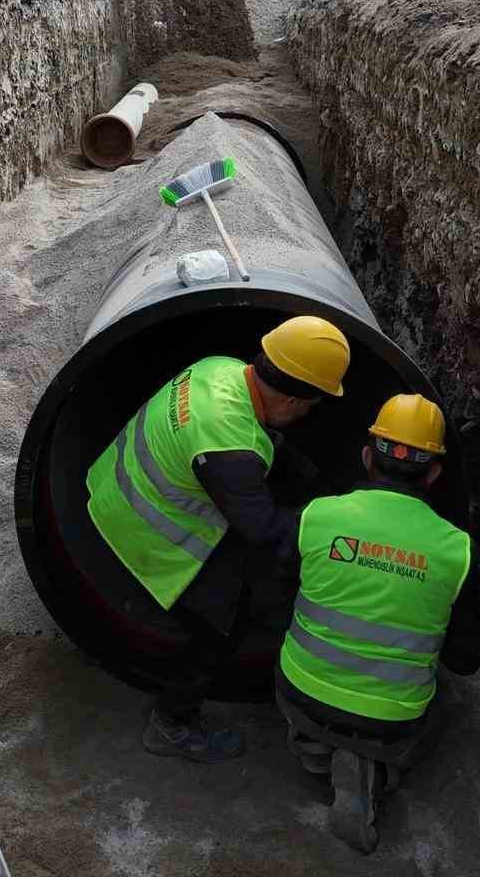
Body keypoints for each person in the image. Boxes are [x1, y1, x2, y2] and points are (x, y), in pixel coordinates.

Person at [86, 315, 351, 763]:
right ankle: (172, 723)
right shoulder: (230, 446)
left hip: (114, 489)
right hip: (143, 532)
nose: (309, 415)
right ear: (290, 399)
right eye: (311, 405)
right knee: (222, 619)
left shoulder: (219, 368)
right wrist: (332, 524)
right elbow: (263, 529)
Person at [275, 393, 480, 852]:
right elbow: (467, 659)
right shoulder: (457, 550)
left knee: (299, 646)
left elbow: (278, 588)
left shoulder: (316, 516)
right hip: (391, 719)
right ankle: (377, 769)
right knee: (448, 696)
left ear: (367, 456)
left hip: (301, 690)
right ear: (433, 473)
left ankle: (311, 746)